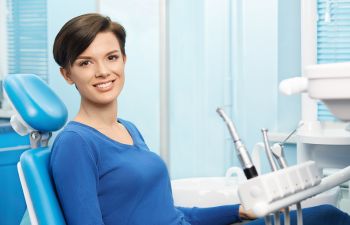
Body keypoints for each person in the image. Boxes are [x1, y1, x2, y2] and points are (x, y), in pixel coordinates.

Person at [50, 13, 350, 225]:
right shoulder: (75, 143)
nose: (103, 71)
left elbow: (175, 216)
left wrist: (239, 211)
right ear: (67, 74)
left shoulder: (128, 129)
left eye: (111, 57)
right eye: (86, 62)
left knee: (327, 216)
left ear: (124, 60)